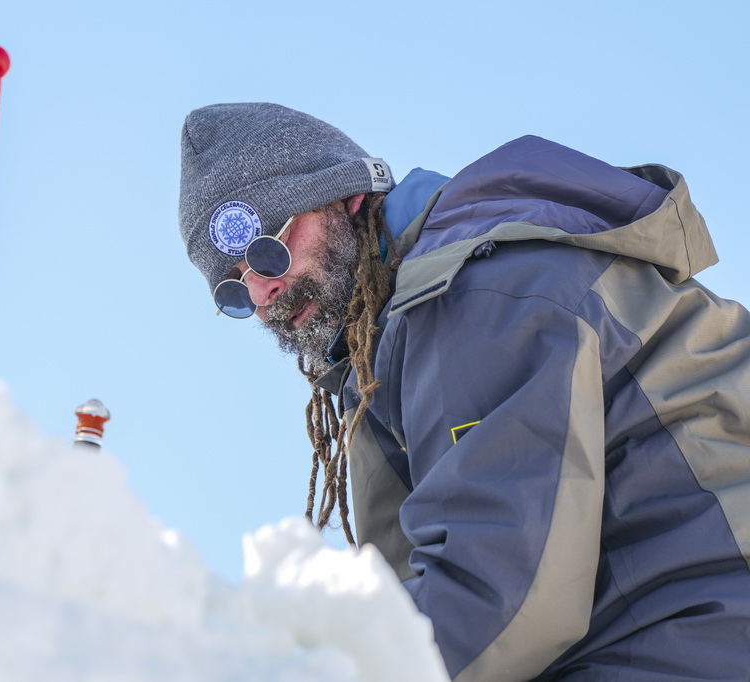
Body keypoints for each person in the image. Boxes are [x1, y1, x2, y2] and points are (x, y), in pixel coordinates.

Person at [177, 102, 750, 681]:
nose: (264, 292)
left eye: (268, 250)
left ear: (345, 198)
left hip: (700, 631)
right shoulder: (391, 352)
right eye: (235, 290)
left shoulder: (477, 294)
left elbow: (498, 589)